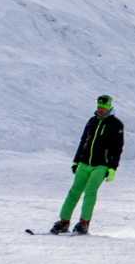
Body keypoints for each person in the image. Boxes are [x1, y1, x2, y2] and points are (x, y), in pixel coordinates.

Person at [52, 94, 124, 234]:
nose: (101, 109)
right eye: (99, 106)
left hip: (101, 165)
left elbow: (117, 148)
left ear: (109, 106)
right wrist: (76, 160)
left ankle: (84, 223)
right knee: (74, 192)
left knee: (90, 192)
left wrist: (112, 168)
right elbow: (83, 141)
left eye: (104, 107)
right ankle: (64, 222)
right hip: (84, 163)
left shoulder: (116, 125)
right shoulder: (92, 121)